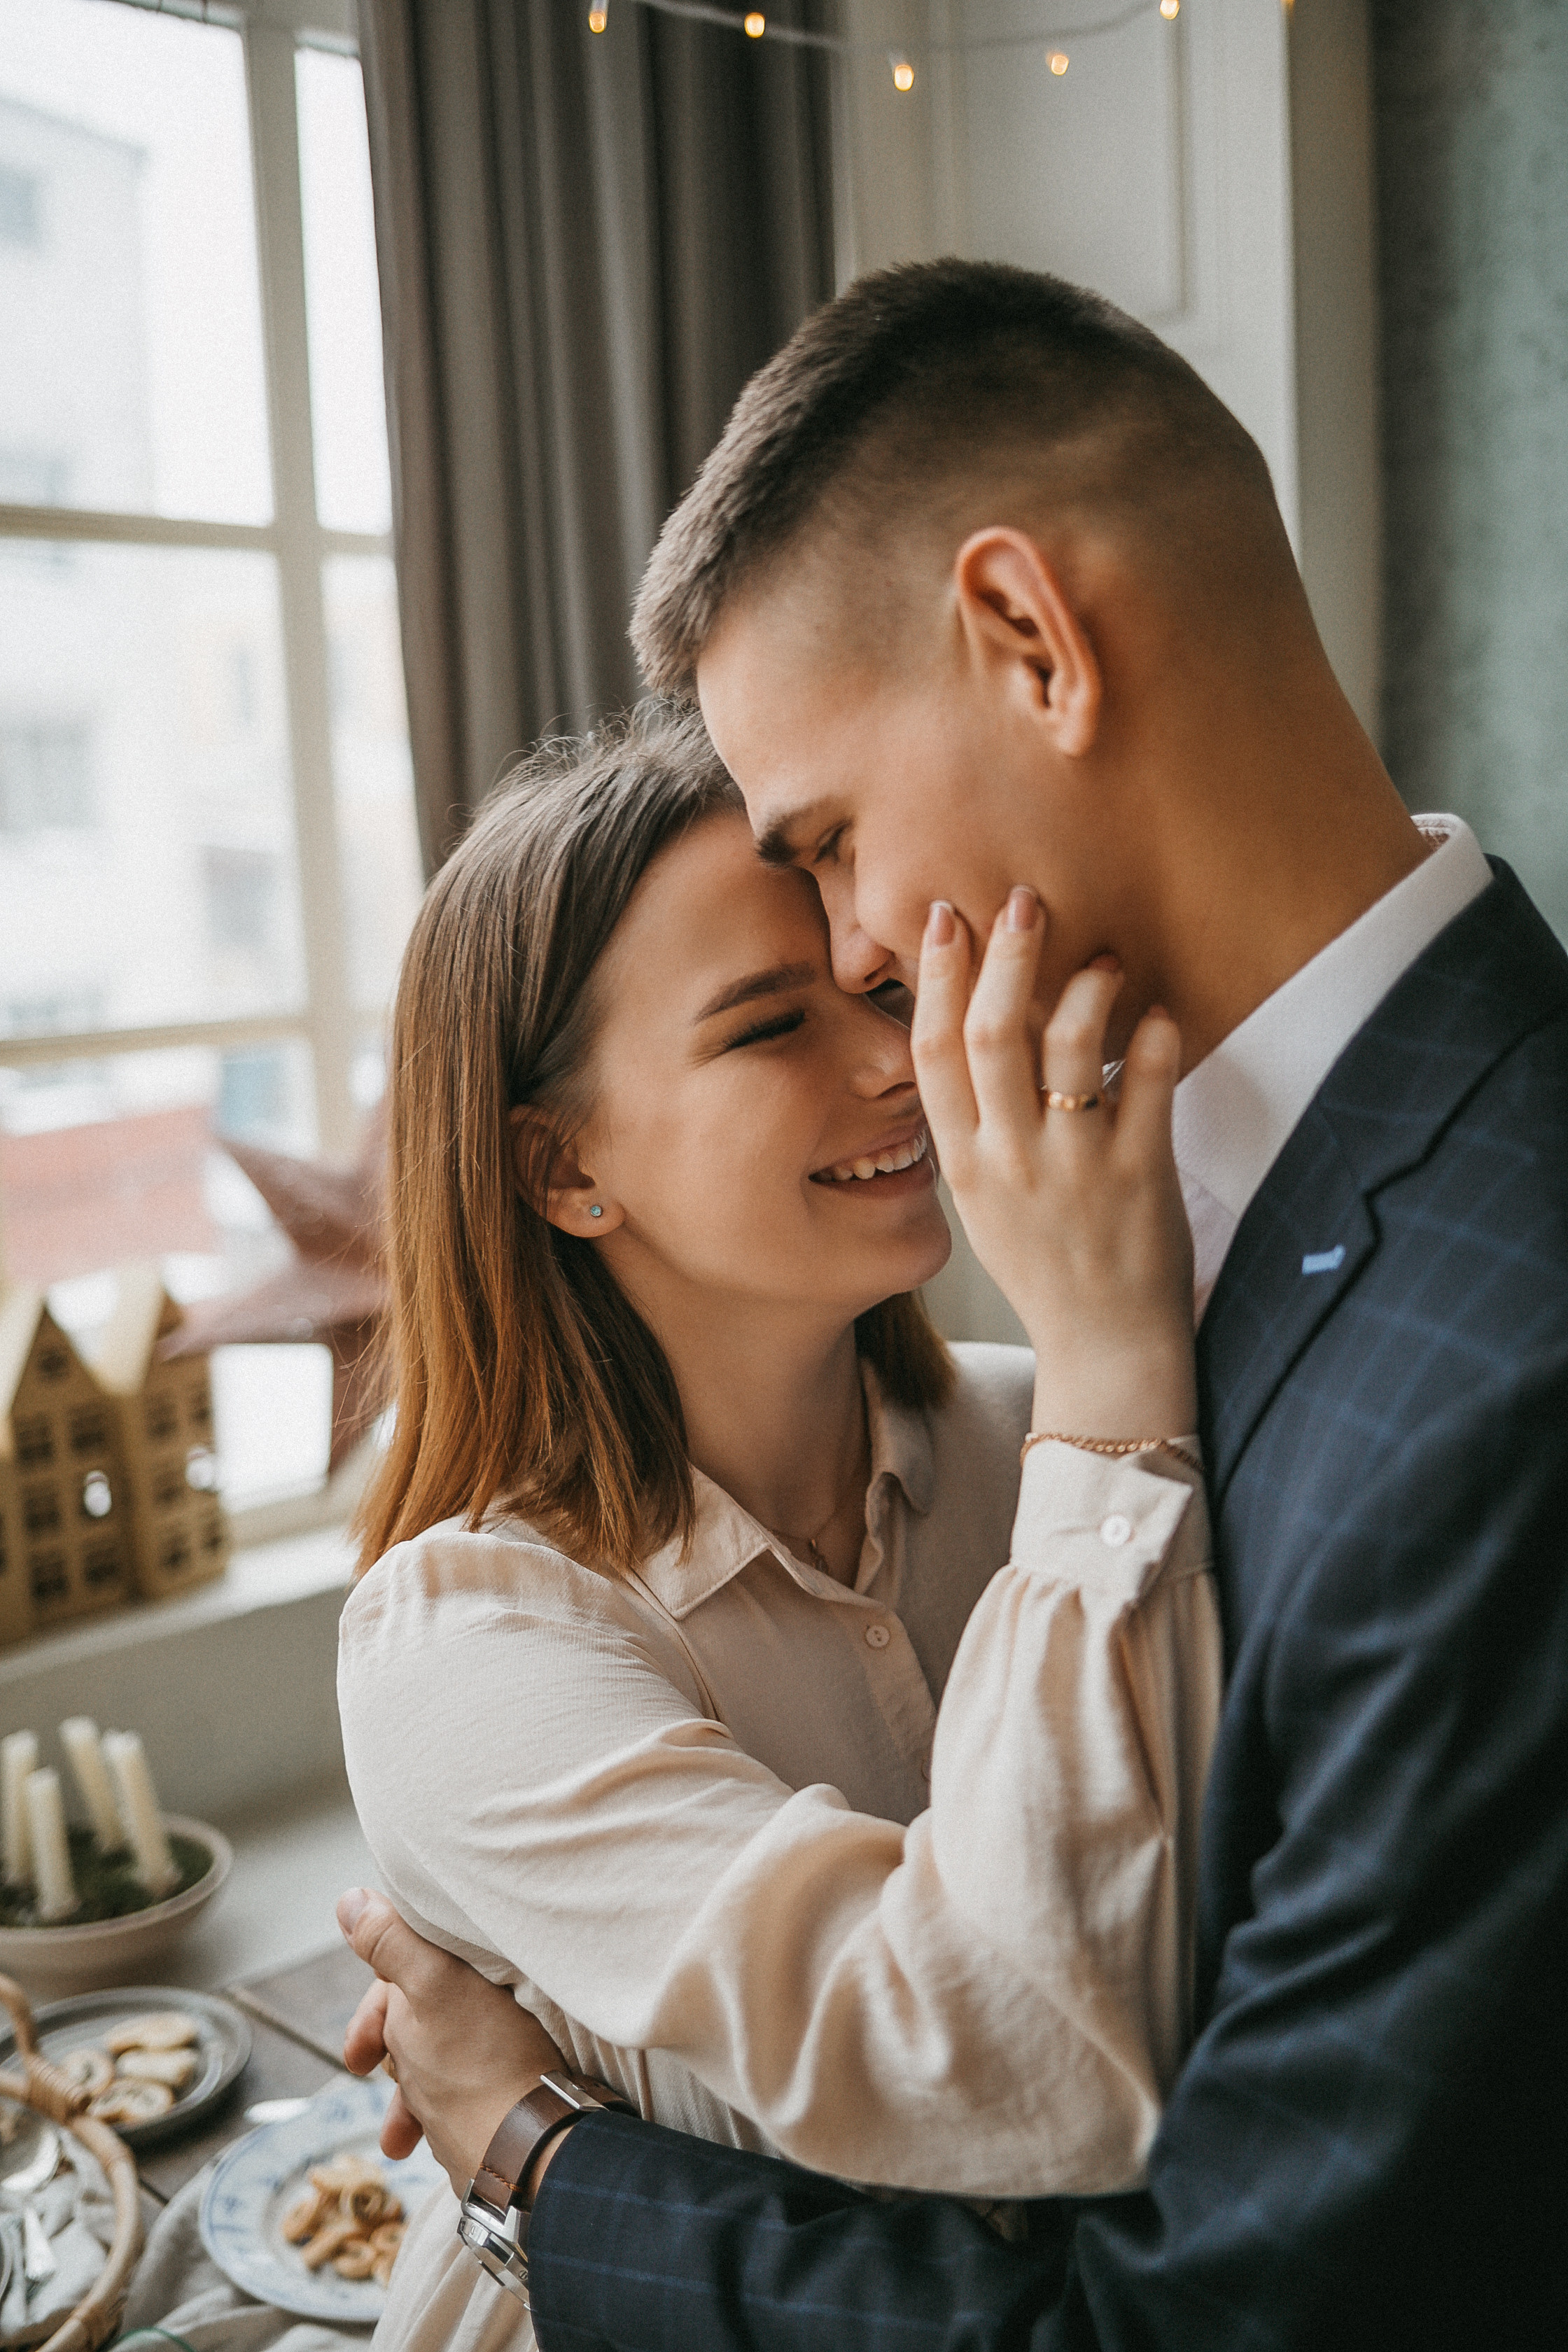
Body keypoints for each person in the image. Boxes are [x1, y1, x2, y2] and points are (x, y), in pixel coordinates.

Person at [340, 260, 1568, 2349]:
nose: (884, 998)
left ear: (1029, 639)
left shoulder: (1256, 1374)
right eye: (771, 998)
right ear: (557, 1163)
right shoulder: (1174, 1316)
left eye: (827, 845)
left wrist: (542, 2160)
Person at [337, 699, 1222, 2352]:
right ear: (559, 1168)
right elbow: (995, 2059)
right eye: (766, 1027)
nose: (898, 1058)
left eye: (880, 990)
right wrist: (1118, 1363)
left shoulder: (1061, 1437)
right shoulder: (465, 1643)